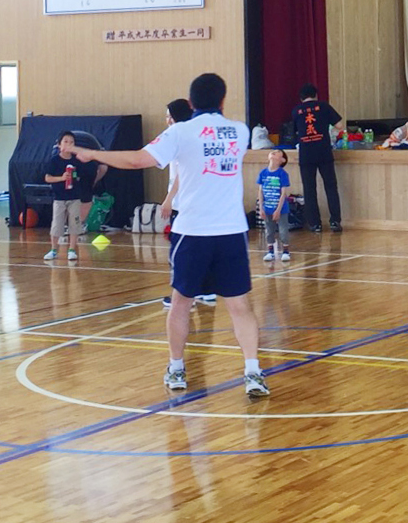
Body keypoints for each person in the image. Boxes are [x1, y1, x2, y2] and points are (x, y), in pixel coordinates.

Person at [74, 73, 269, 397]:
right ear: (223, 100)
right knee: (240, 306)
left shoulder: (179, 132)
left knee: (180, 303)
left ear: (190, 103)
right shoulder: (240, 131)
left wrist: (94, 155)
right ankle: (253, 372)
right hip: (231, 232)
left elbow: (136, 160)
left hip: (192, 232)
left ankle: (177, 368)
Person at [158, 99, 214, 308]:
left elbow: (181, 174)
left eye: (169, 116)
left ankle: (183, 296)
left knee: (181, 252)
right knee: (201, 248)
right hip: (198, 201)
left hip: (183, 203)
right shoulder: (196, 135)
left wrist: (168, 199)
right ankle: (206, 291)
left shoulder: (178, 137)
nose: (167, 120)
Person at [291, 84, 345, 233]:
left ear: (301, 98)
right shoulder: (324, 106)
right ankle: (335, 221)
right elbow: (340, 125)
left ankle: (315, 224)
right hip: (323, 152)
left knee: (309, 189)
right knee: (331, 187)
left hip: (306, 154)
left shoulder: (296, 110)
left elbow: (294, 132)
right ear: (316, 95)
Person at [43, 131, 104, 262]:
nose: (68, 144)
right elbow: (48, 178)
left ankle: (72, 250)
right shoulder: (54, 161)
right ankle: (53, 250)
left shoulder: (78, 161)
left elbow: (84, 175)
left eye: (71, 142)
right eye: (65, 142)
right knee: (57, 225)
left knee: (74, 224)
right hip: (59, 198)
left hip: (75, 198)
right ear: (59, 145)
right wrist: (61, 178)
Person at [258, 149, 292, 263]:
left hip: (281, 209)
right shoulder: (263, 173)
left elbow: (283, 194)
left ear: (282, 160)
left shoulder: (282, 174)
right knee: (269, 230)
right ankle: (270, 251)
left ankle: (285, 251)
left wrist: (278, 210)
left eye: (277, 152)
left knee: (283, 231)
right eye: (273, 151)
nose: (274, 152)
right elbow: (260, 191)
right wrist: (261, 208)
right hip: (267, 208)